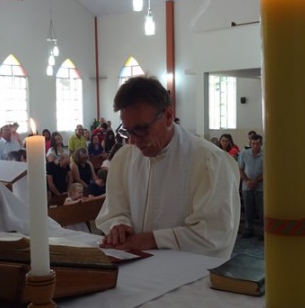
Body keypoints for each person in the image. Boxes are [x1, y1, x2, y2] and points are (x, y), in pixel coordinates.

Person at [96, 77, 239, 258]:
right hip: (136, 269)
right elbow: (116, 210)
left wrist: (150, 240)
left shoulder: (209, 161)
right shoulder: (126, 157)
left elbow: (214, 232)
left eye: (141, 129)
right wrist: (119, 225)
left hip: (189, 277)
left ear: (169, 116)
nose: (133, 140)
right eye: (127, 131)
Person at [239, 134, 264, 240]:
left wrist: (256, 181)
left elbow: (266, 171)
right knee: (248, 209)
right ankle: (248, 229)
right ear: (250, 144)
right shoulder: (244, 154)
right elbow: (241, 169)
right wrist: (247, 181)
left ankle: (263, 231)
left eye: (257, 143)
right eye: (253, 143)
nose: (255, 146)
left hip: (260, 186)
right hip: (247, 186)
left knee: (261, 209)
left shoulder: (265, 155)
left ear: (261, 144)